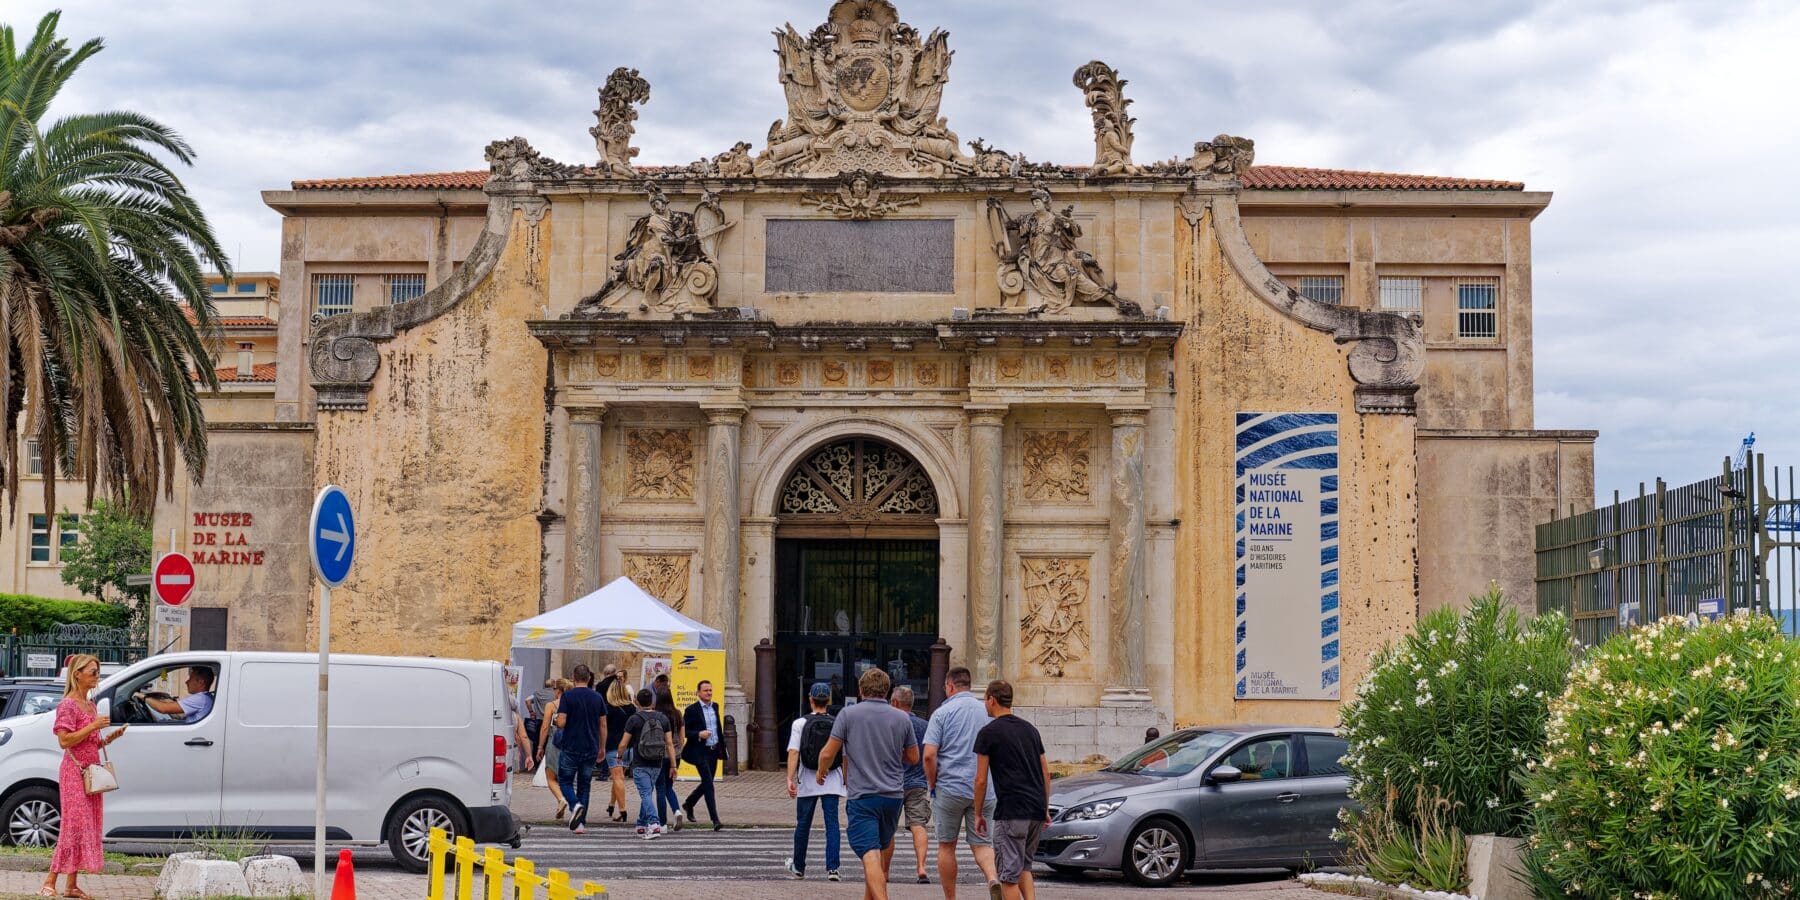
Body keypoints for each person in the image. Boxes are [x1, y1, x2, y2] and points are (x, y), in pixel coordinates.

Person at [816, 668, 918, 900]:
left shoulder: (848, 715)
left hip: (863, 795)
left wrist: (822, 772)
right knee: (877, 852)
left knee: (869, 854)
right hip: (893, 796)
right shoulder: (902, 718)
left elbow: (827, 753)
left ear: (860, 690)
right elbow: (913, 758)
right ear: (887, 691)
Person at [43, 655, 125, 900]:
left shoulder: (90, 704)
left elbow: (88, 743)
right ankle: (50, 880)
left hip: (90, 772)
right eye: (92, 671)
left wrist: (108, 739)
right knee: (73, 826)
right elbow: (64, 740)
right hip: (73, 773)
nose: (96, 676)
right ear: (77, 674)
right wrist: (93, 726)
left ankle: (71, 885)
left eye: (97, 671)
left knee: (85, 826)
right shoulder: (68, 705)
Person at [923, 667, 1001, 900]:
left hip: (949, 787)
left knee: (947, 845)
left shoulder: (942, 713)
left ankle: (951, 898)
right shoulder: (986, 711)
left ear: (949, 686)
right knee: (983, 845)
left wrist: (932, 783)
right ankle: (992, 878)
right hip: (984, 788)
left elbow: (929, 755)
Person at [971, 681, 1051, 900]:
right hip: (1035, 808)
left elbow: (980, 780)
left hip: (1012, 810)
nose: (985, 704)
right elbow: (1045, 771)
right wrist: (1044, 806)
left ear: (992, 700)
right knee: (1024, 867)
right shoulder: (1030, 730)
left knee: (1008, 877)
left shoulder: (988, 733)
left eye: (985, 699)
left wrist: (978, 813)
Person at [783, 682, 844, 882]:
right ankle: (833, 868)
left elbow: (794, 752)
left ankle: (799, 867)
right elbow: (844, 754)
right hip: (832, 779)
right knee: (832, 824)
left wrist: (789, 778)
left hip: (808, 779)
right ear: (829, 700)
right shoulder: (837, 723)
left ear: (810, 699)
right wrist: (847, 779)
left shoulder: (800, 723)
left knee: (803, 824)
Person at [616, 688, 676, 839]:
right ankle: (641, 824)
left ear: (637, 702)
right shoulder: (663, 718)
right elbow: (669, 743)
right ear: (652, 702)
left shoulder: (634, 719)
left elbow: (624, 743)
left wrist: (619, 756)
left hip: (640, 762)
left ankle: (654, 824)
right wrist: (674, 765)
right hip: (657, 762)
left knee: (645, 794)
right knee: (647, 793)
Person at [554, 665, 607, 833]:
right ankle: (580, 824)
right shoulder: (597, 697)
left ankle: (574, 805)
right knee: (585, 785)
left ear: (573, 677)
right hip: (591, 746)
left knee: (564, 781)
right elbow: (603, 724)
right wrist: (602, 747)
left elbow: (561, 722)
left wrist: (556, 721)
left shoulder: (568, 696)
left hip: (570, 746)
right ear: (589, 678)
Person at [888, 686, 932, 885]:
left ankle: (884, 871)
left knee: (888, 829)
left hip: (892, 783)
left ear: (896, 703)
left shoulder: (890, 723)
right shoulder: (925, 724)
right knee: (918, 825)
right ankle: (921, 867)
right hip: (918, 782)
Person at [680, 680, 725, 830]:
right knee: (709, 785)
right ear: (698, 692)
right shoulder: (692, 709)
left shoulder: (715, 706)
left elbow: (718, 728)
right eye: (705, 690)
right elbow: (685, 731)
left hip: (713, 750)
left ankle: (689, 803)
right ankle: (715, 819)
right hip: (700, 751)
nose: (709, 693)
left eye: (710, 690)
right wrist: (699, 734)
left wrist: (722, 746)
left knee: (708, 782)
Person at [651, 675, 684, 828]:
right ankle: (676, 810)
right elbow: (682, 738)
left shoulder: (656, 716)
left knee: (660, 788)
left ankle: (662, 822)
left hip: (659, 755)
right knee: (669, 786)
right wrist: (676, 759)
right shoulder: (678, 714)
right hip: (676, 755)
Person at [536, 679, 569, 819]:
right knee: (564, 777)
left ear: (558, 691)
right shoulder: (573, 704)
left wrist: (539, 746)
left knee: (550, 776)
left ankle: (561, 799)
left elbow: (544, 727)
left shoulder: (552, 705)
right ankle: (559, 805)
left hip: (555, 742)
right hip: (570, 743)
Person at [603, 677, 633, 823]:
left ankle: (622, 810)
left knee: (617, 778)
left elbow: (603, 729)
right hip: (630, 747)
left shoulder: (608, 709)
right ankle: (611, 804)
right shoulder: (632, 708)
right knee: (619, 777)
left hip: (614, 746)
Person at [140, 666, 215, 721]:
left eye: (190, 679)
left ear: (201, 682)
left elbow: (163, 708)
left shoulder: (200, 699)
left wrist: (142, 696)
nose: (186, 682)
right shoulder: (206, 697)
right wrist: (172, 703)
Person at [524, 679, 556, 763]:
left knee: (537, 742)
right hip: (550, 722)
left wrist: (531, 712)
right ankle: (545, 763)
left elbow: (527, 700)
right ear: (553, 685)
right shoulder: (555, 694)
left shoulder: (537, 693)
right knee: (548, 741)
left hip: (538, 721)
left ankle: (536, 762)